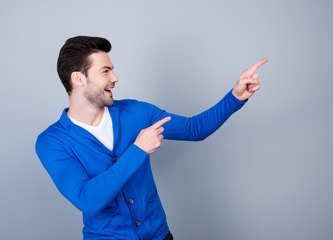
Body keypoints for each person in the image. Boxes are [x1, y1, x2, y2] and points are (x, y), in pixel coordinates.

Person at [35, 36, 267, 240]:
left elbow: (194, 129)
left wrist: (235, 97)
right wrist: (138, 150)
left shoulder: (137, 112)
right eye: (105, 71)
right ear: (78, 78)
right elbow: (87, 200)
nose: (115, 78)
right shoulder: (52, 142)